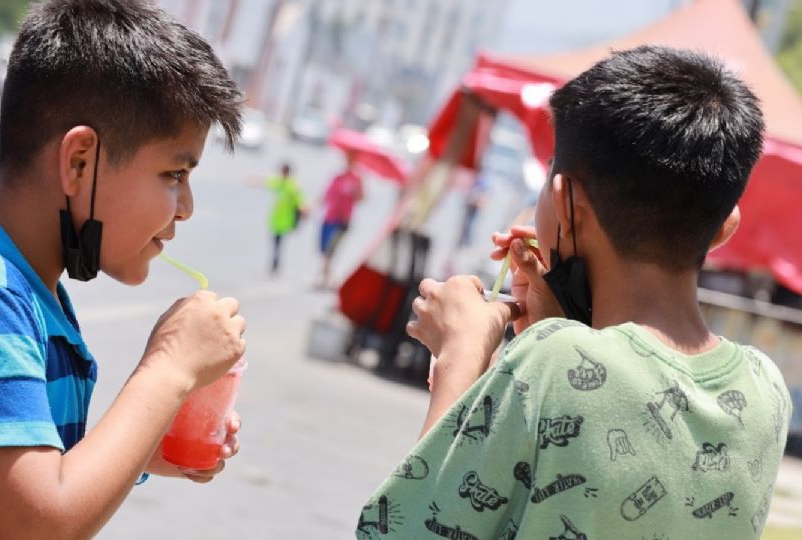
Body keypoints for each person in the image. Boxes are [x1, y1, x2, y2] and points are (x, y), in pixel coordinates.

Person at [0, 1, 247, 538]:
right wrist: (170, 369)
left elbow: (12, 475)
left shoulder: (10, 280)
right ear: (79, 161)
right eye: (174, 173)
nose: (185, 207)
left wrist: (141, 448)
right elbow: (37, 525)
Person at [357, 46, 791, 540]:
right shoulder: (766, 390)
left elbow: (401, 531)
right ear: (724, 227)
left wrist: (461, 353)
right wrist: (556, 324)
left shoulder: (552, 360)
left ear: (566, 201)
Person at [318, 153, 363, 288]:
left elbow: (361, 198)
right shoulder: (337, 177)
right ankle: (330, 278)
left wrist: (355, 191)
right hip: (329, 217)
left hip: (343, 220)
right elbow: (325, 195)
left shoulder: (357, 179)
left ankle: (326, 278)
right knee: (324, 248)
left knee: (331, 249)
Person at [265, 162, 306, 274]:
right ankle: (275, 261)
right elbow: (268, 182)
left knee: (278, 242)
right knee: (276, 242)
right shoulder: (281, 182)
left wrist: (303, 211)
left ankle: (276, 262)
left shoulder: (292, 186)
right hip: (277, 220)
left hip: (285, 220)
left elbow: (300, 201)